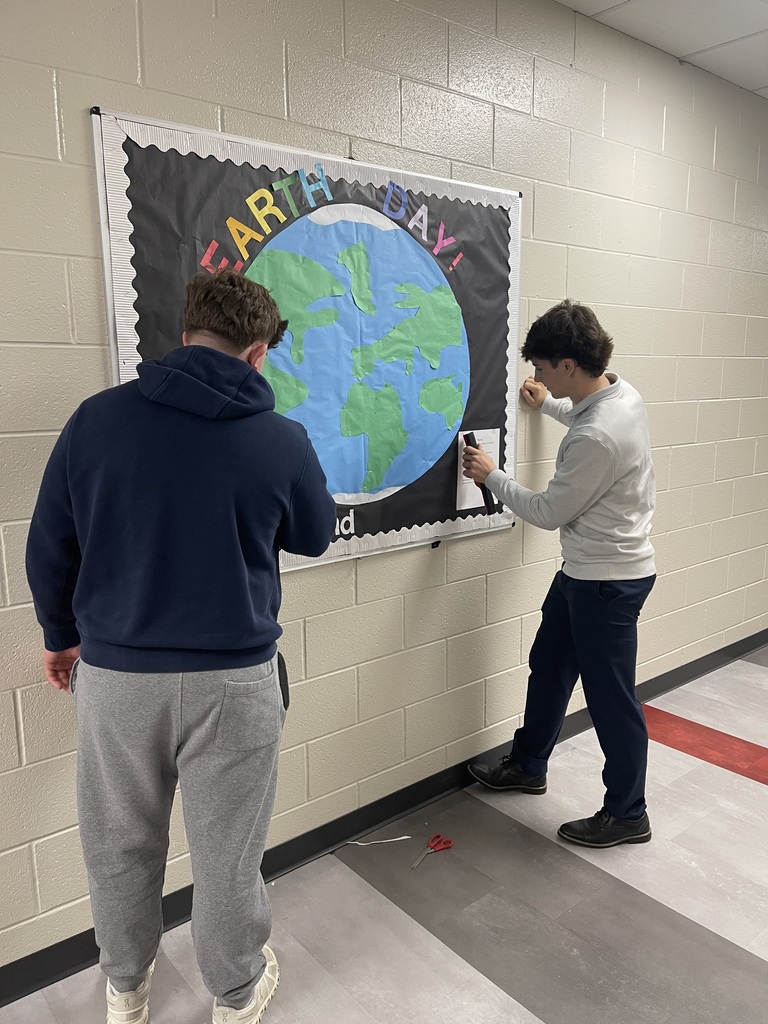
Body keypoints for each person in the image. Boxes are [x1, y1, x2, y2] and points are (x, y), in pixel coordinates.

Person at [26, 270, 337, 1024]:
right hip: (234, 681)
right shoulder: (281, 439)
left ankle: (127, 990)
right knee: (227, 854)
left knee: (119, 846)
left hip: (117, 677)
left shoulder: (95, 421)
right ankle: (234, 995)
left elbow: (47, 547)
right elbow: (316, 535)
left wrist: (60, 638)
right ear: (258, 354)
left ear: (184, 332)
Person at [463, 300, 656, 849]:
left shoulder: (597, 437)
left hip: (607, 580)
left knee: (609, 697)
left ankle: (627, 812)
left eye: (544, 369)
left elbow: (548, 513)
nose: (537, 377)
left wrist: (493, 476)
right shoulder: (620, 394)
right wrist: (550, 406)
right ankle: (528, 765)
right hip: (588, 571)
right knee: (548, 665)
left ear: (569, 365)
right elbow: (587, 417)